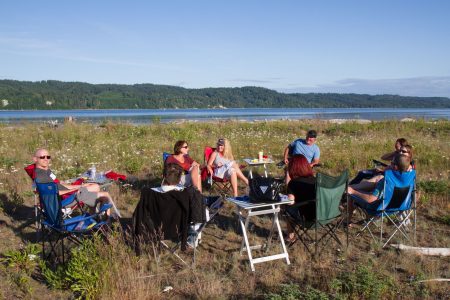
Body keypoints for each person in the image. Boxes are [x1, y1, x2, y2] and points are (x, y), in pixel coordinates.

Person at [133, 163, 206, 250]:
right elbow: (199, 216)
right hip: (179, 230)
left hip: (154, 230)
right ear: (180, 179)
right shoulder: (186, 194)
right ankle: (192, 240)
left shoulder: (149, 194)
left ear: (163, 176)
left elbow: (139, 215)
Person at [33, 148, 120, 218]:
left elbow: (58, 185)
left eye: (47, 157)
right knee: (105, 195)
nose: (46, 159)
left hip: (67, 196)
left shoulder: (45, 171)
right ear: (35, 159)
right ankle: (105, 225)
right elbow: (56, 192)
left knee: (95, 188)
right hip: (67, 200)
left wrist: (80, 185)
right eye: (42, 157)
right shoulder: (41, 176)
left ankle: (93, 217)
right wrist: (76, 189)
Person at [347, 154, 412, 223]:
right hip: (399, 207)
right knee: (365, 188)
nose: (389, 165)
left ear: (395, 167)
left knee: (351, 194)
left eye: (391, 163)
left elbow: (371, 199)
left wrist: (353, 191)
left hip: (379, 209)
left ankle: (347, 221)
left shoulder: (387, 180)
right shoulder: (409, 179)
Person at [284, 155, 317, 242]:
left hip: (307, 219)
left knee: (286, 208)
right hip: (323, 216)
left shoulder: (294, 183)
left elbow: (290, 201)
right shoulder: (315, 180)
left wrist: (288, 178)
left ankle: (290, 236)